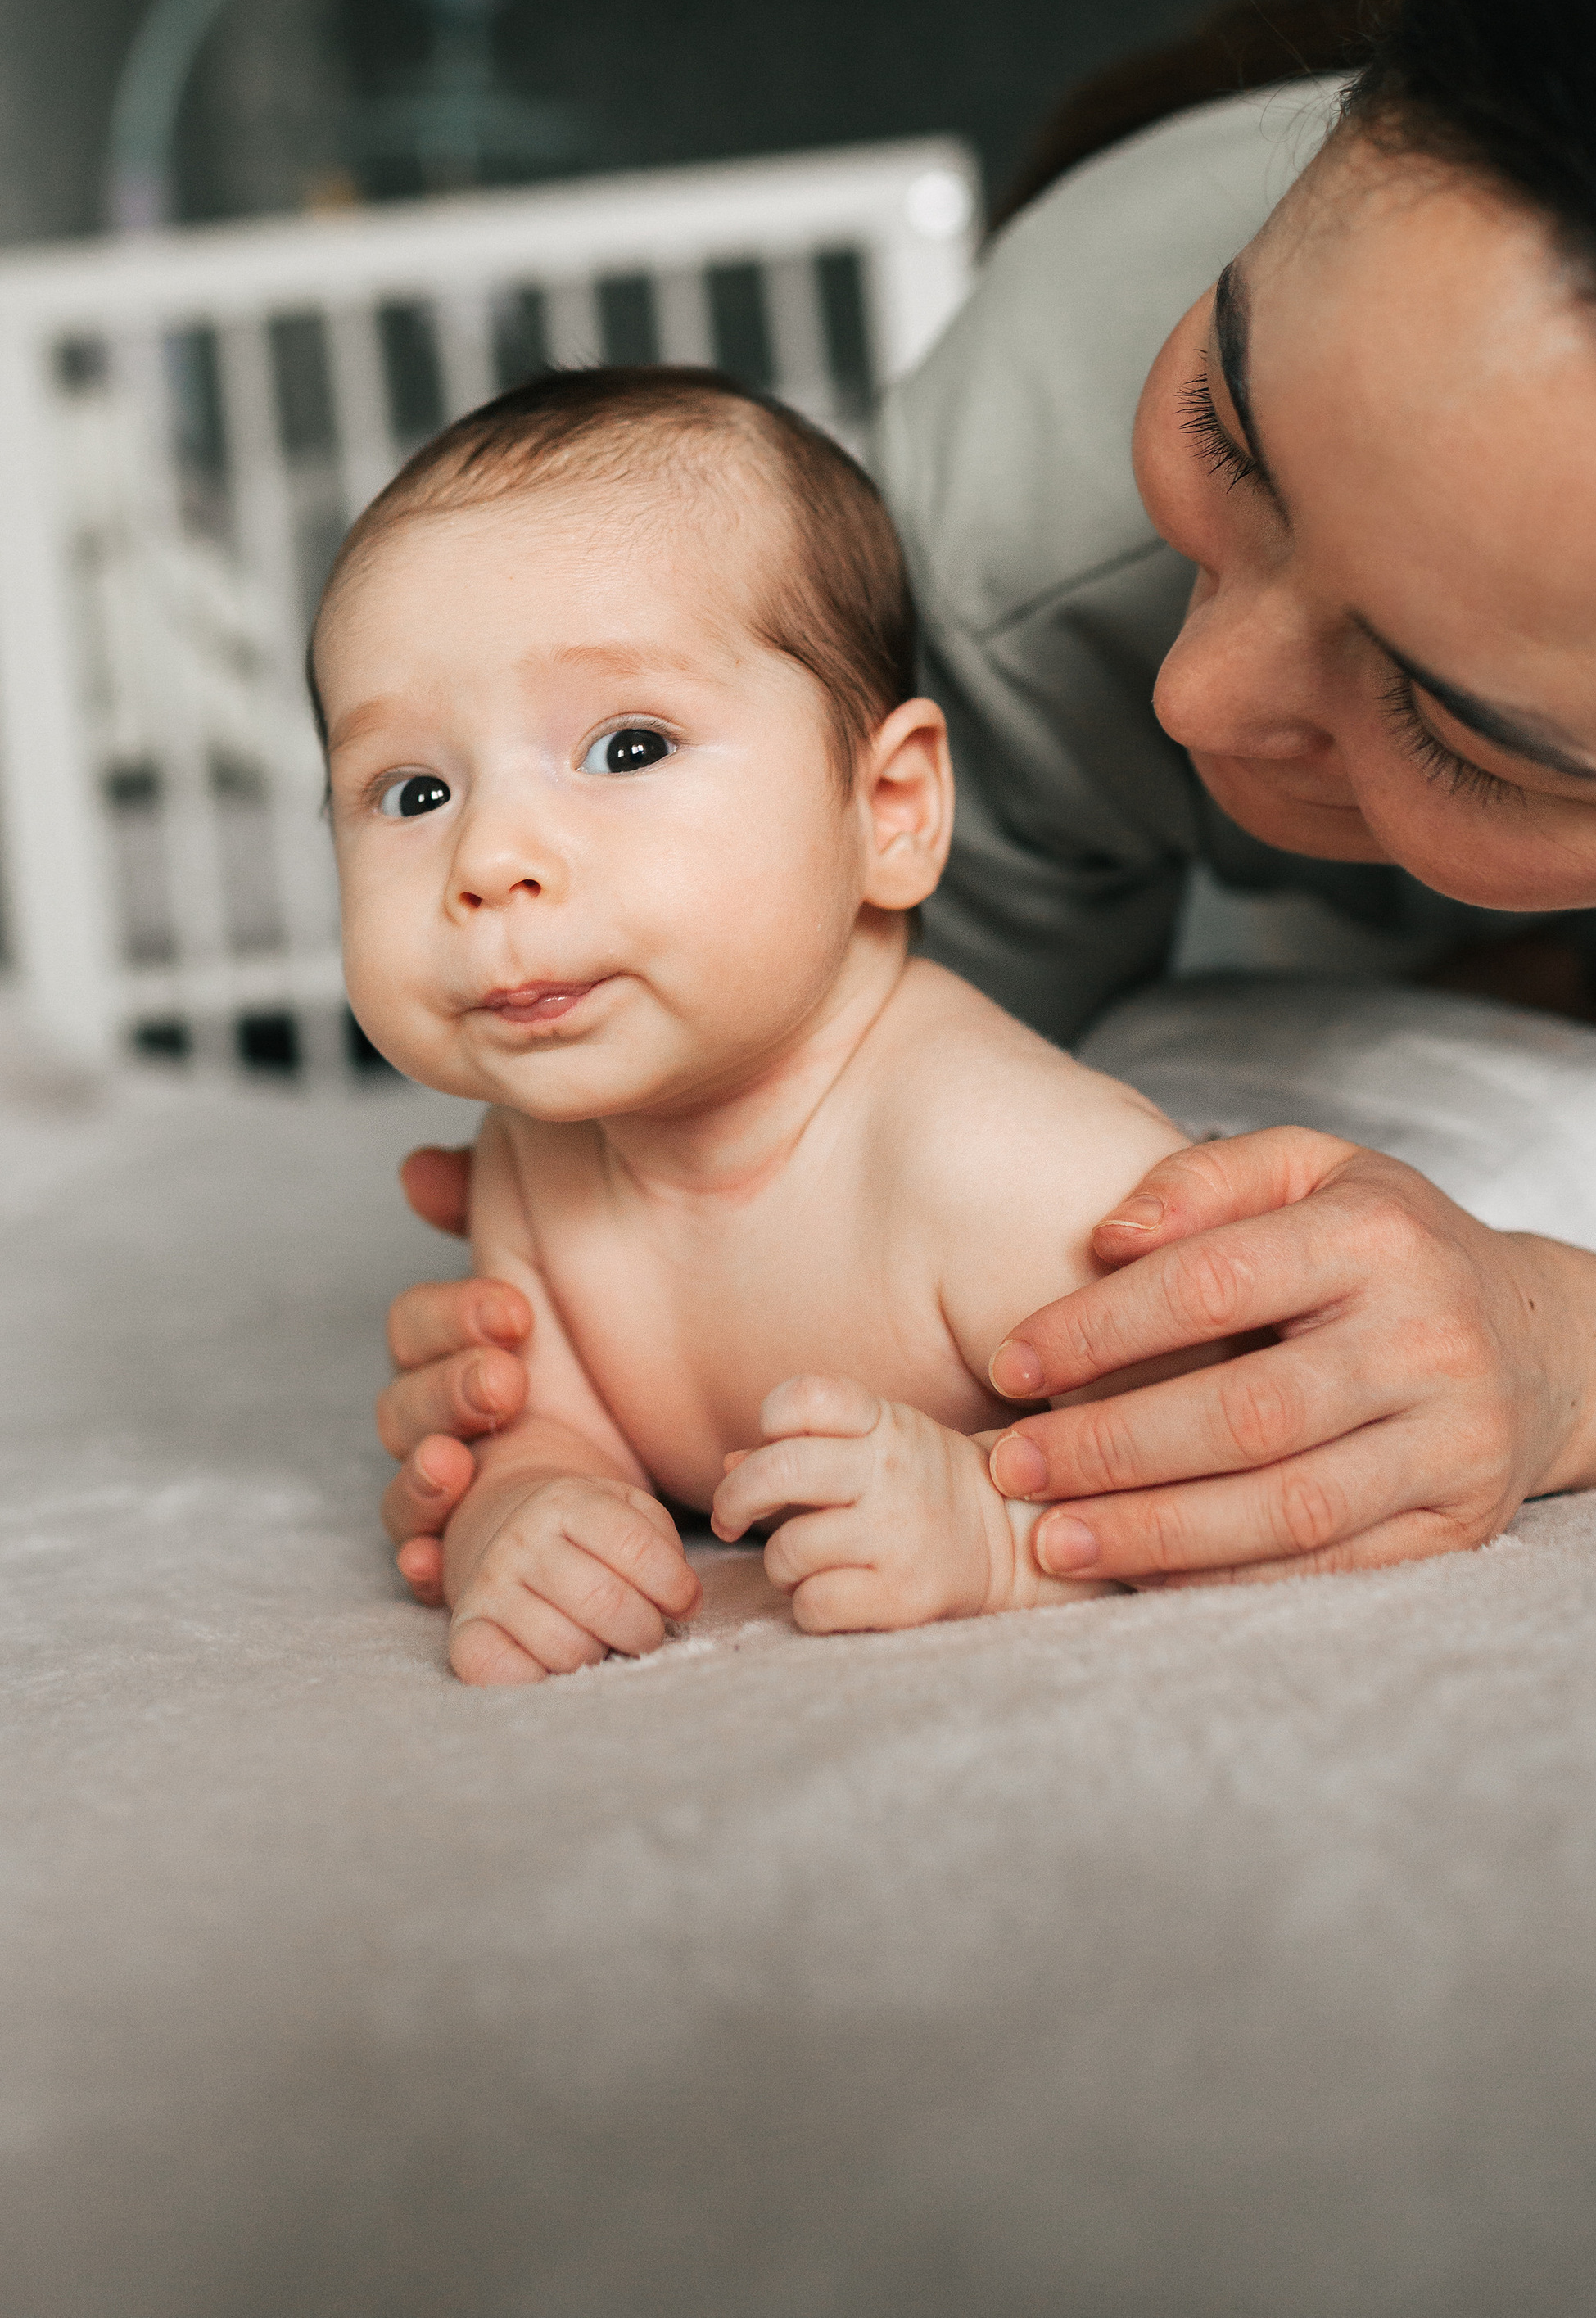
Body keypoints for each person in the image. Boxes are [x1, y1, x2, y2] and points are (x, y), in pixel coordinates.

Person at [376, 0, 1596, 1602]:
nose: (1195, 685)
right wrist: (594, 1348)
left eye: (1450, 718)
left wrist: (1586, 1356)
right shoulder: (1015, 528)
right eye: (1227, 428)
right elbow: (869, 1209)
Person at [314, 364, 1209, 1679]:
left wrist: (1003, 1530)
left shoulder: (994, 1157)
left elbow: (1255, 1438)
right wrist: (527, 1507)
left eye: (627, 747)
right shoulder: (538, 1144)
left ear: (889, 807)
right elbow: (544, 1423)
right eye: (412, 791)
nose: (491, 857)